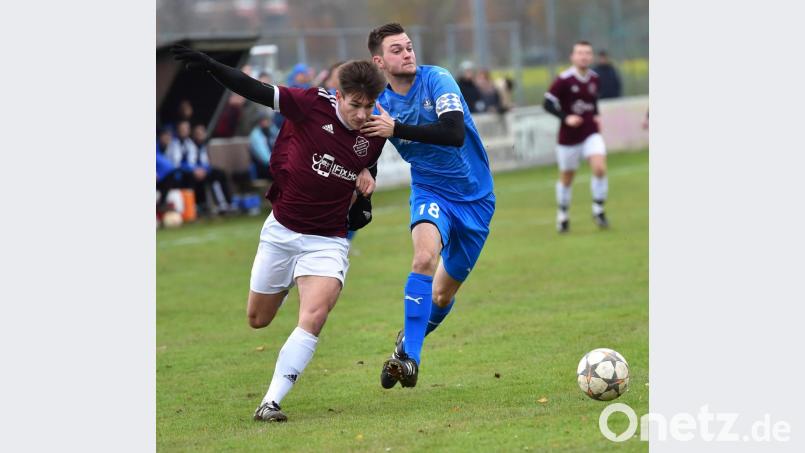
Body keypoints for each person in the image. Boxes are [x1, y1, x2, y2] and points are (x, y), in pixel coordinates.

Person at [171, 44, 387, 422]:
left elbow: (364, 158)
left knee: (315, 316)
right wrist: (212, 66)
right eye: (355, 105)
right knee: (259, 319)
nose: (362, 114)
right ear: (339, 96)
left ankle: (270, 401)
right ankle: (286, 282)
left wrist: (369, 173)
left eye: (369, 106)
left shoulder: (375, 128)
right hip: (283, 230)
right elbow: (253, 89)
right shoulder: (308, 103)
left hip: (328, 239)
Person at [362, 23, 496, 389]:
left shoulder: (438, 80)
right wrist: (364, 172)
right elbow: (369, 145)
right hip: (430, 191)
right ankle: (410, 361)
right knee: (423, 259)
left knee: (441, 294)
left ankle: (406, 342)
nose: (407, 53)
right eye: (397, 50)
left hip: (475, 200)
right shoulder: (378, 103)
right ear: (379, 61)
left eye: (409, 47)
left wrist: (398, 129)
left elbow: (453, 134)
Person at [543, 40, 610, 233]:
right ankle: (563, 215)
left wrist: (596, 116)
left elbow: (592, 102)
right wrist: (566, 118)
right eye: (580, 53)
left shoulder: (595, 79)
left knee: (599, 167)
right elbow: (547, 103)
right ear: (573, 57)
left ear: (592, 56)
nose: (584, 56)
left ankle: (598, 210)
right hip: (568, 138)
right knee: (567, 178)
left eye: (588, 53)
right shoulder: (564, 79)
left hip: (590, 132)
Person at [249, 111, 279, 180]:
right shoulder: (255, 135)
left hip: (276, 164)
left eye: (267, 120)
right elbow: (265, 159)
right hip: (263, 168)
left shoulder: (273, 130)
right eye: (263, 120)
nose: (265, 122)